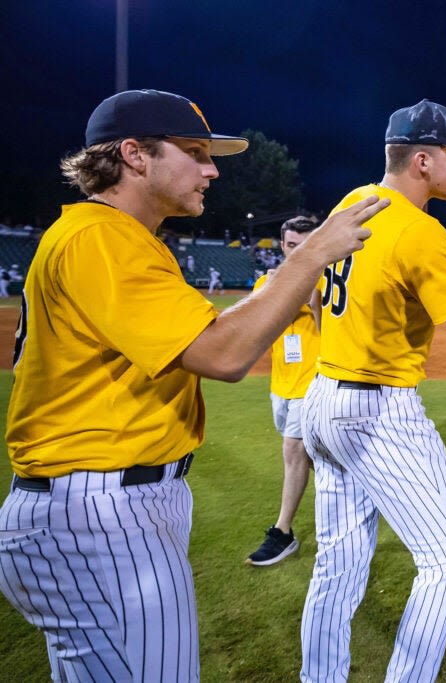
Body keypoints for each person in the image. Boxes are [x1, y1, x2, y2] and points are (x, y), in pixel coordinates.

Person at [0, 88, 387, 682]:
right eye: (195, 151)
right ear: (133, 154)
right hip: (100, 513)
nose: (211, 169)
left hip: (89, 502)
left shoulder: (105, 235)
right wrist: (309, 258)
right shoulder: (104, 237)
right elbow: (224, 353)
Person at [299, 99, 446, 682]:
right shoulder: (419, 229)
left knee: (337, 563)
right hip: (377, 406)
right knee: (445, 564)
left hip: (323, 394)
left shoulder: (353, 202)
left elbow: (314, 293)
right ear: (421, 160)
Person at [246, 215, 321, 566]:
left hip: (315, 383)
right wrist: (270, 296)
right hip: (282, 386)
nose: (298, 251)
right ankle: (340, 514)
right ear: (282, 245)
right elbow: (254, 333)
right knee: (315, 458)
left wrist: (313, 301)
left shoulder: (327, 283)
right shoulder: (268, 280)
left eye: (305, 244)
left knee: (294, 450)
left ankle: (283, 531)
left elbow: (340, 339)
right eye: (292, 245)